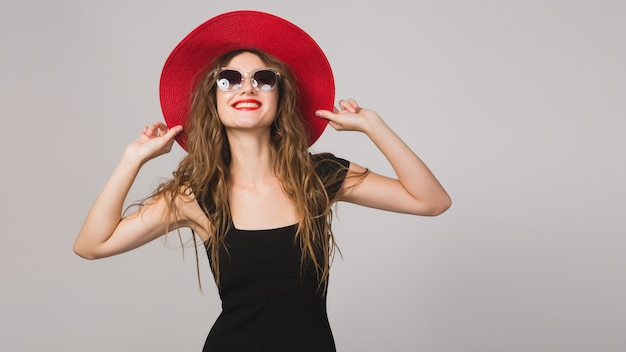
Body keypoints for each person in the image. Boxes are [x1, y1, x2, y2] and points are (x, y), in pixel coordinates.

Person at [74, 10, 451, 352]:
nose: (247, 87)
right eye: (230, 79)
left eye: (263, 78)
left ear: (279, 97)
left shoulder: (318, 178)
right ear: (214, 100)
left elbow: (432, 201)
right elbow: (92, 245)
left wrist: (374, 127)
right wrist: (132, 158)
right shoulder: (197, 196)